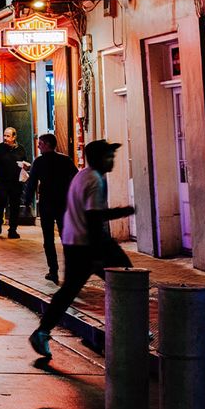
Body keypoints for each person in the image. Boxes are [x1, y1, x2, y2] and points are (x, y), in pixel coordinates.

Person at [29, 140, 135, 359]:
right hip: (87, 242)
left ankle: (42, 331)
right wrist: (123, 212)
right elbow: (93, 217)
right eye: (109, 156)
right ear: (98, 159)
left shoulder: (82, 176)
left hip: (73, 239)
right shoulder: (94, 180)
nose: (112, 160)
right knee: (127, 280)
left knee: (69, 290)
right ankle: (127, 331)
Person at [24, 133, 79, 283]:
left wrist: (27, 201)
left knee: (48, 238)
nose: (38, 146)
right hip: (63, 203)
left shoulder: (39, 162)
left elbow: (32, 183)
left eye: (40, 143)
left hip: (47, 204)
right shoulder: (65, 160)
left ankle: (53, 271)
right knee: (66, 237)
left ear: (47, 144)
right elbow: (76, 178)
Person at [0, 127, 29, 239]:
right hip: (1, 181)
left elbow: (25, 162)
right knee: (1, 202)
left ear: (14, 137)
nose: (5, 138)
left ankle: (12, 229)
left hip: (16, 182)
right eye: (4, 135)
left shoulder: (21, 149)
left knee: (15, 206)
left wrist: (25, 167)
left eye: (8, 136)